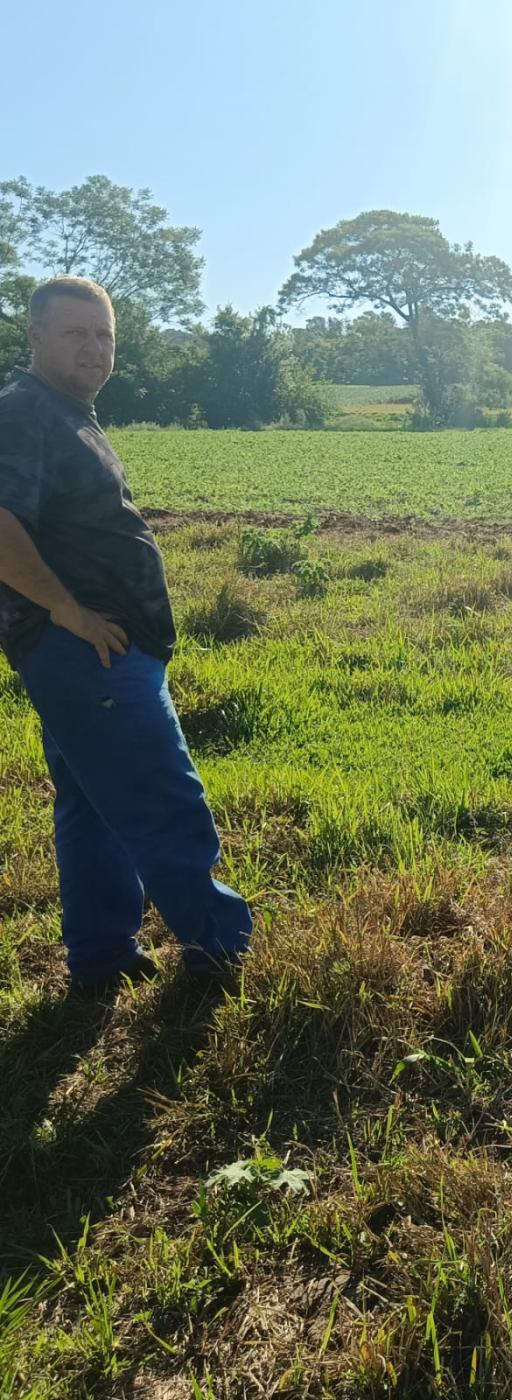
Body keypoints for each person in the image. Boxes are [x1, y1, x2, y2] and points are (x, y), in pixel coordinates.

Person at [0, 276, 252, 993]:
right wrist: (68, 612)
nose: (93, 346)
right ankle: (221, 950)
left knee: (92, 805)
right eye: (75, 332)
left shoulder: (63, 410)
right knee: (161, 796)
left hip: (93, 647)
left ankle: (102, 957)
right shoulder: (23, 412)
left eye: (103, 333)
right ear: (36, 337)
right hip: (87, 649)